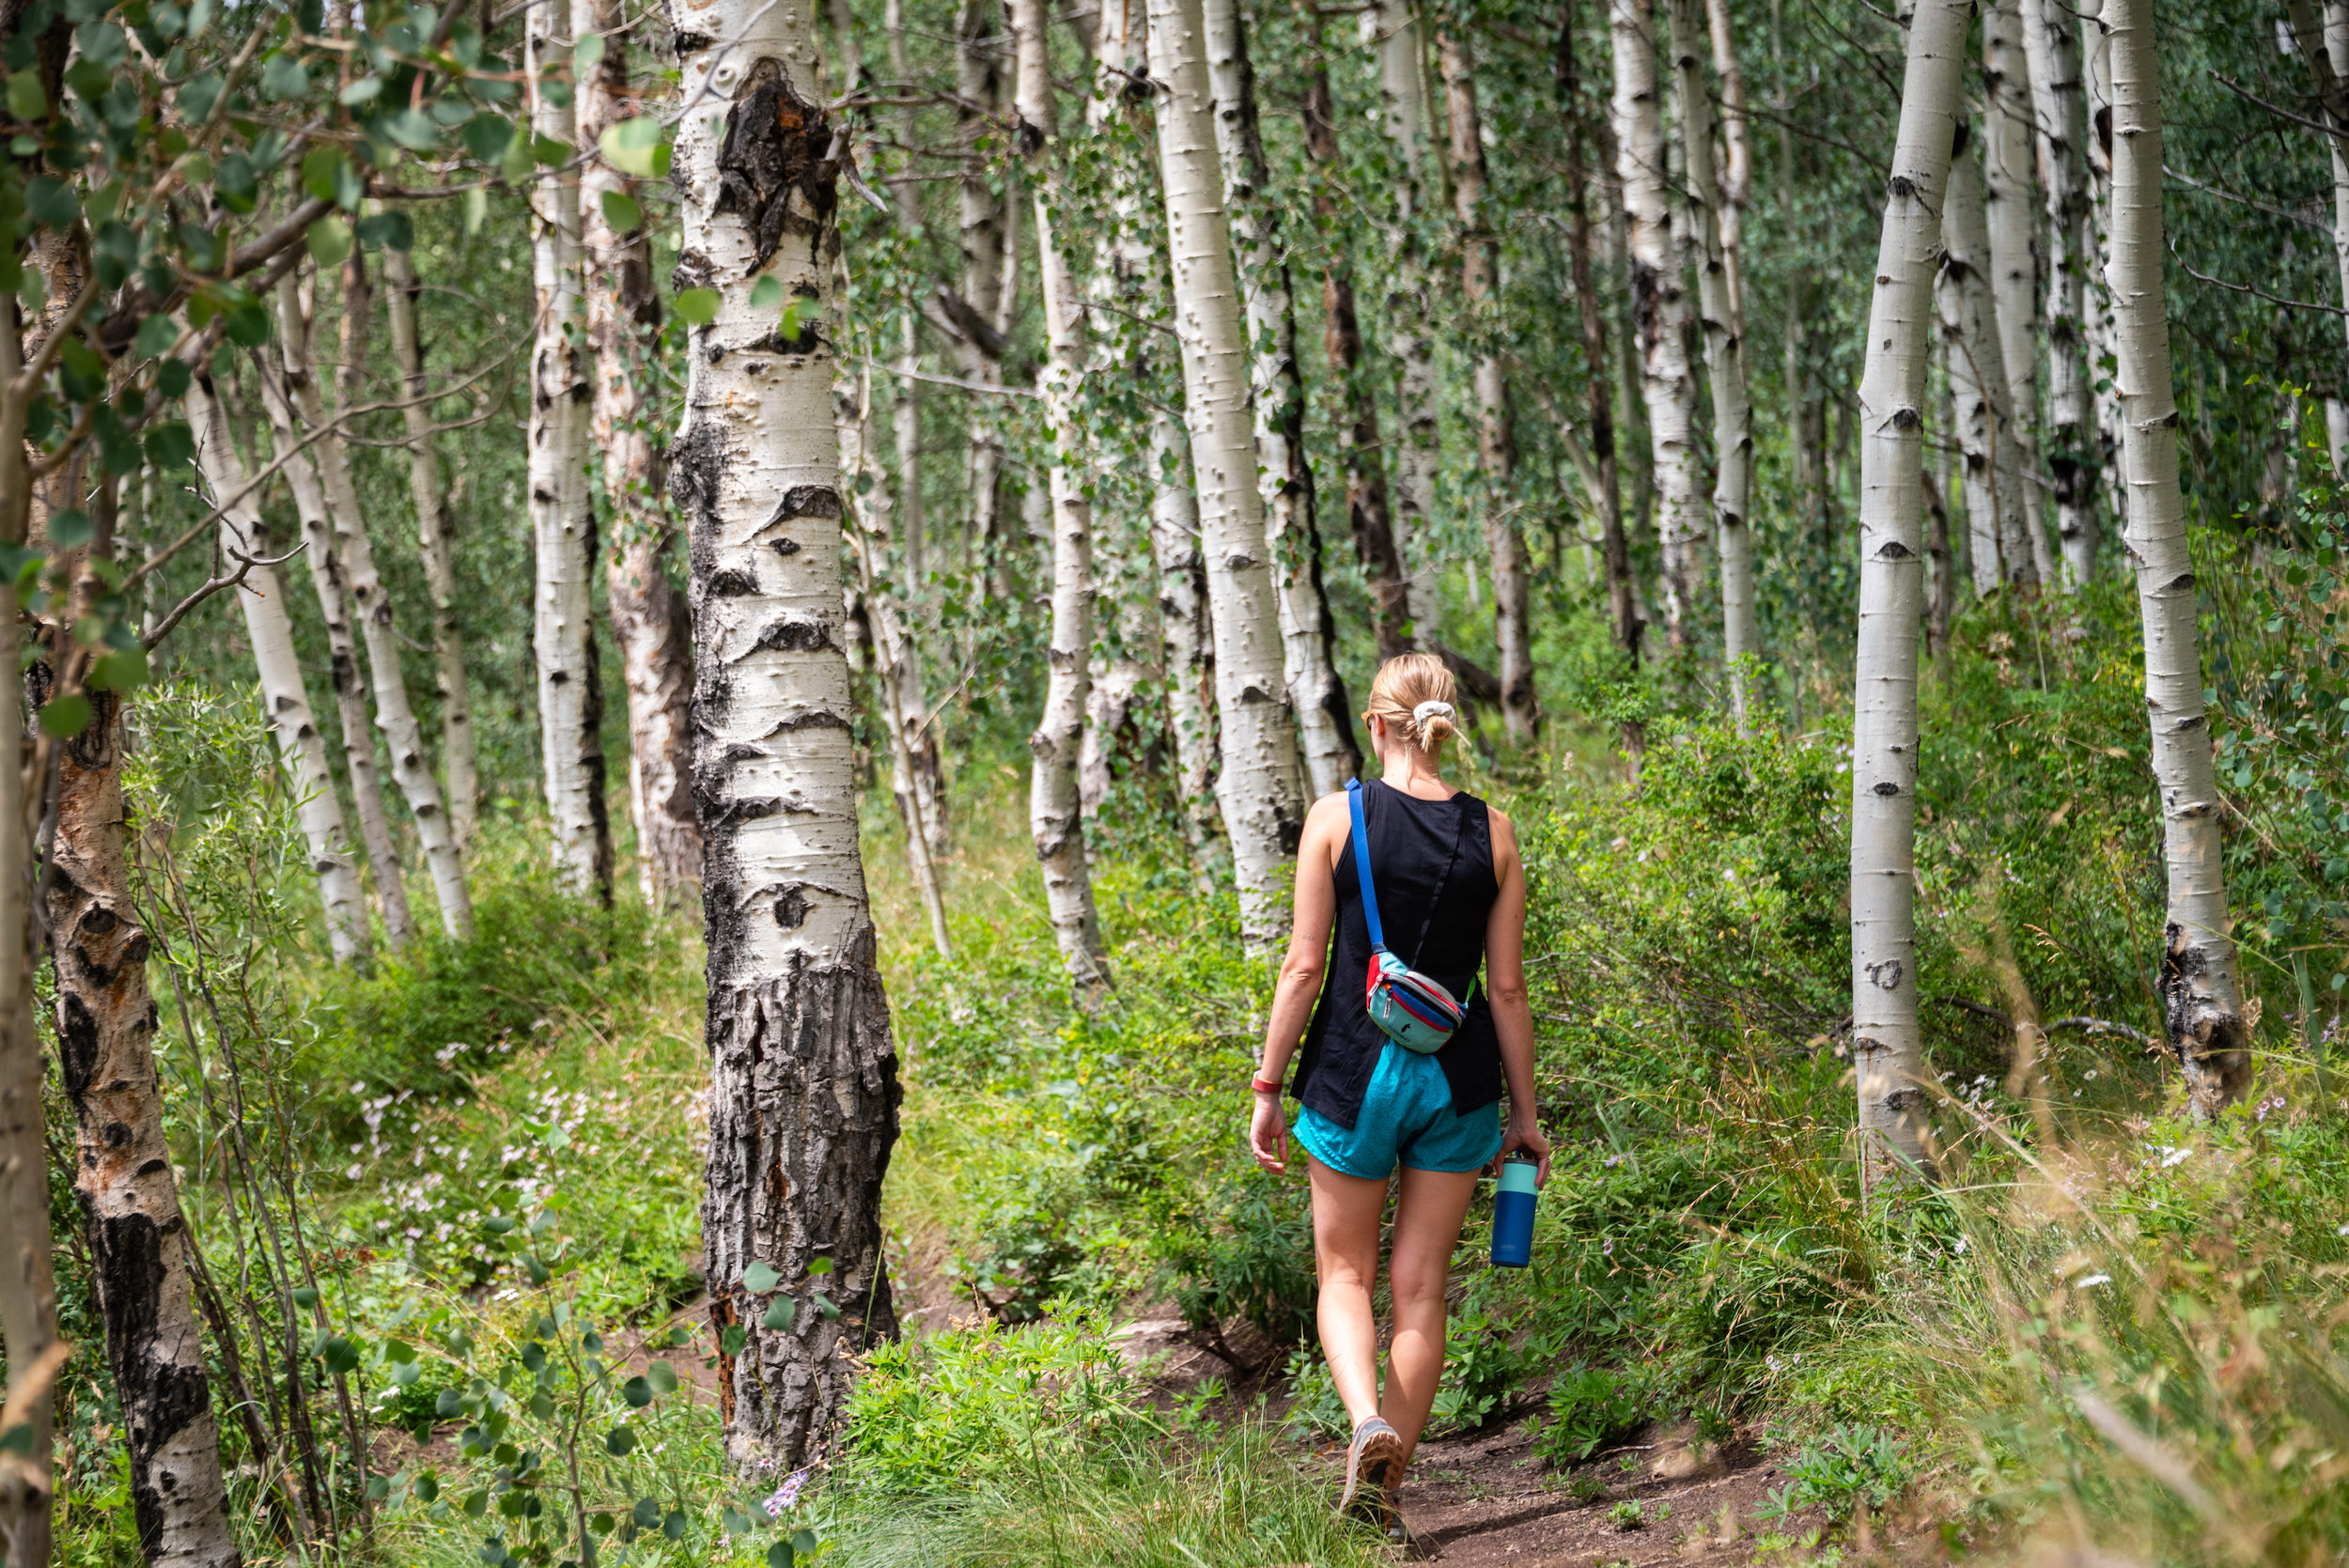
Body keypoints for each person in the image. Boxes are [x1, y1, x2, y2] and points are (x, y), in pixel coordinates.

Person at [1247, 652, 1552, 1545]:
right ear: (1444, 723)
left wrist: (1268, 1086)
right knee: (1421, 1292)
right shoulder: (1495, 833)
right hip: (1457, 1083)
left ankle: (1365, 1424)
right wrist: (1525, 1116)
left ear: (1375, 724)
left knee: (1344, 1275)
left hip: (1351, 1072)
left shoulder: (1336, 819)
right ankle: (1385, 1496)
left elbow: (1305, 966)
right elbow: (1507, 992)